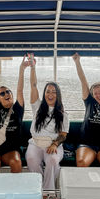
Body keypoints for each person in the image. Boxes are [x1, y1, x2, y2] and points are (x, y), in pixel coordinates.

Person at [26, 54, 69, 191]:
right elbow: (33, 85)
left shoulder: (63, 114)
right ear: (44, 93)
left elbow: (63, 134)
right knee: (31, 159)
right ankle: (38, 189)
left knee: (52, 160)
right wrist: (33, 67)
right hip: (36, 143)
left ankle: (48, 192)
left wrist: (55, 143)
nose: (50, 94)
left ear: (58, 95)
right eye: (48, 91)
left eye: (54, 92)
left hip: (52, 144)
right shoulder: (37, 107)